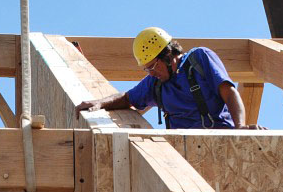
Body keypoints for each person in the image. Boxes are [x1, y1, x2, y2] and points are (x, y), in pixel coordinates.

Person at [75, 27, 264, 130]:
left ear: (167, 55)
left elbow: (228, 91)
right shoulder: (155, 84)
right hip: (182, 154)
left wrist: (240, 128)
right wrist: (99, 103)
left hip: (220, 140)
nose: (151, 73)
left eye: (153, 66)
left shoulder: (199, 59)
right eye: (146, 69)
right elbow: (127, 98)